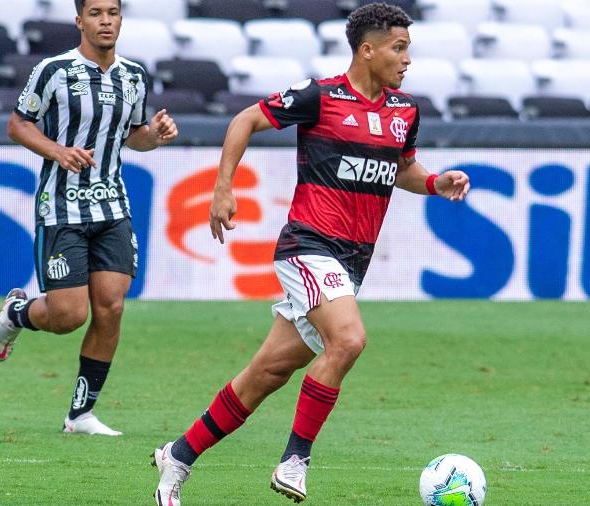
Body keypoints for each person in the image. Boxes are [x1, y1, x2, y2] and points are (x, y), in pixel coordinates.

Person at [151, 3, 470, 504]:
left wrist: (434, 181)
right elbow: (244, 120)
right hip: (308, 245)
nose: (407, 59)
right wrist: (222, 188)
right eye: (399, 48)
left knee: (267, 373)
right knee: (349, 340)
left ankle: (179, 456)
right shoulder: (320, 97)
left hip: (352, 263)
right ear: (367, 50)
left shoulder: (405, 111)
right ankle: (295, 459)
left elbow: (400, 168)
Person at [0, 0, 178, 436]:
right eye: (95, 13)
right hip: (62, 207)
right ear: (80, 21)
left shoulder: (134, 75)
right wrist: (59, 150)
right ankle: (17, 313)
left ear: (120, 20)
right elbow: (18, 125)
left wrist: (156, 135)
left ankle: (80, 415)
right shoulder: (54, 70)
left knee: (110, 308)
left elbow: (133, 136)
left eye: (112, 12)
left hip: (112, 207)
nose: (105, 20)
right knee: (68, 316)